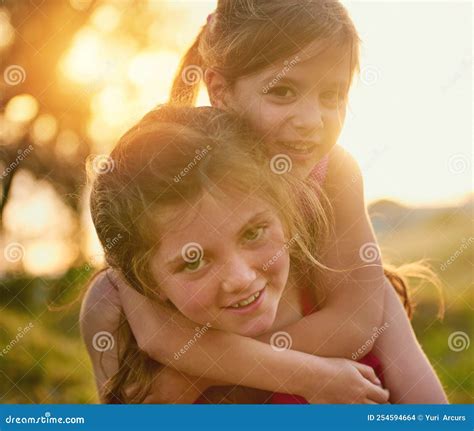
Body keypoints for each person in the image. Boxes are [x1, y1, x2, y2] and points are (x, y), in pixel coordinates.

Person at [81, 105, 447, 404]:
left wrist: (196, 372)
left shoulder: (353, 294)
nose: (241, 277)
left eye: (254, 233)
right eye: (193, 260)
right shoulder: (115, 320)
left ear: (287, 213)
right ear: (147, 281)